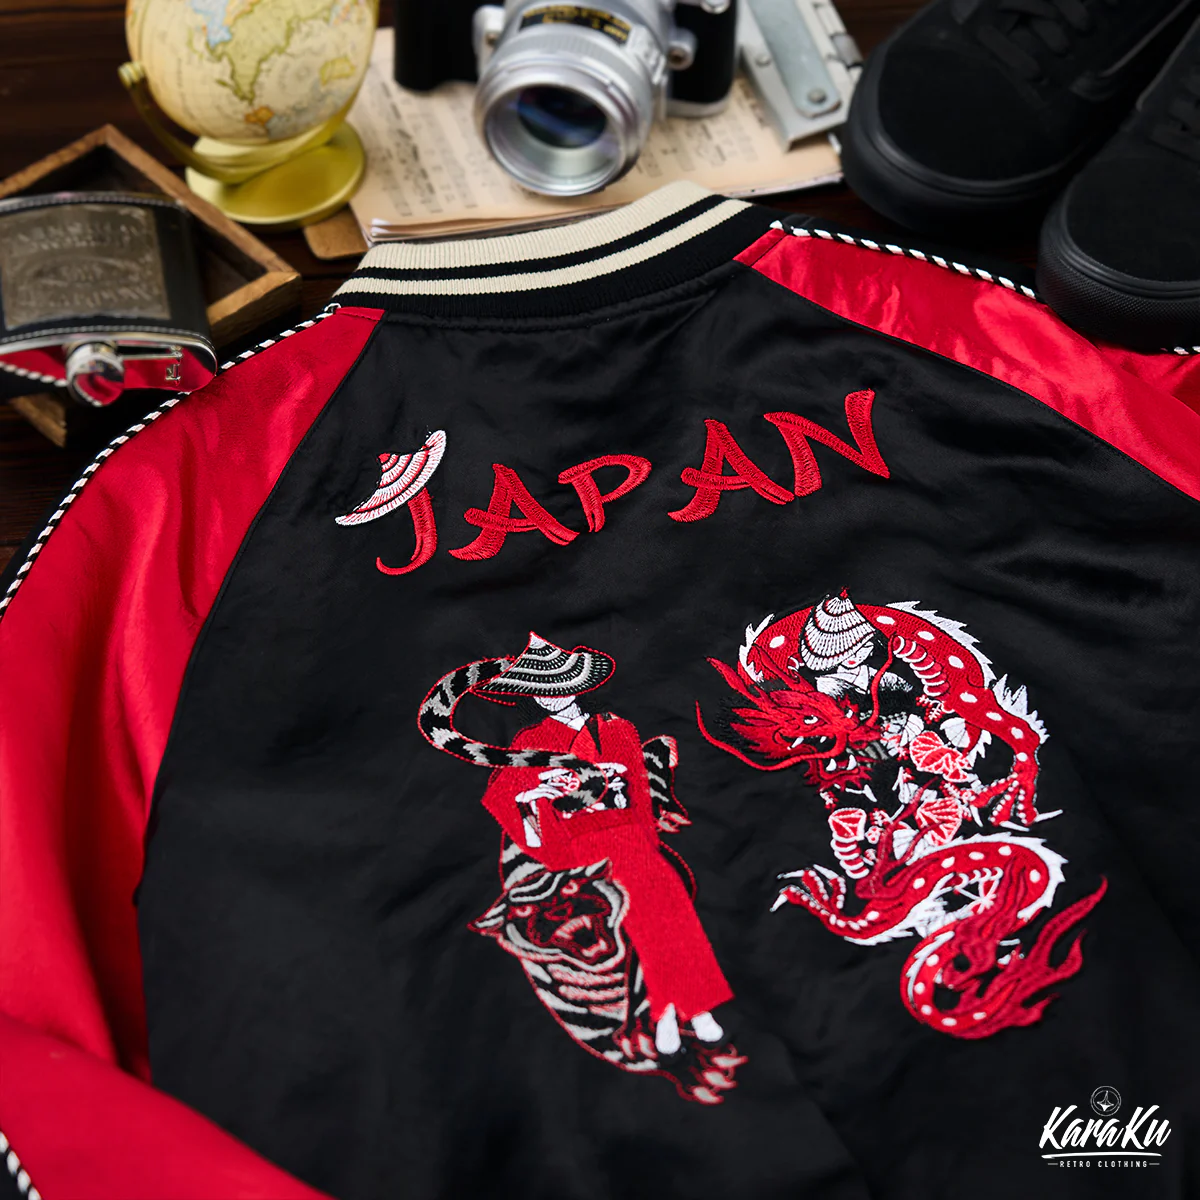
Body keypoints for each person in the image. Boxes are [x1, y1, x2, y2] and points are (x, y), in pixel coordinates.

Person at [474, 634, 732, 1055]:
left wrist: (646, 838)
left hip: (630, 834)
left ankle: (694, 1008)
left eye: (559, 684)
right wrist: (534, 797)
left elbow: (640, 791)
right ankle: (668, 1012)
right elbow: (505, 796)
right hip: (580, 847)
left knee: (674, 914)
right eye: (541, 690)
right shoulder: (528, 743)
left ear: (576, 685)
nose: (552, 696)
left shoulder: (617, 728)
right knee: (639, 926)